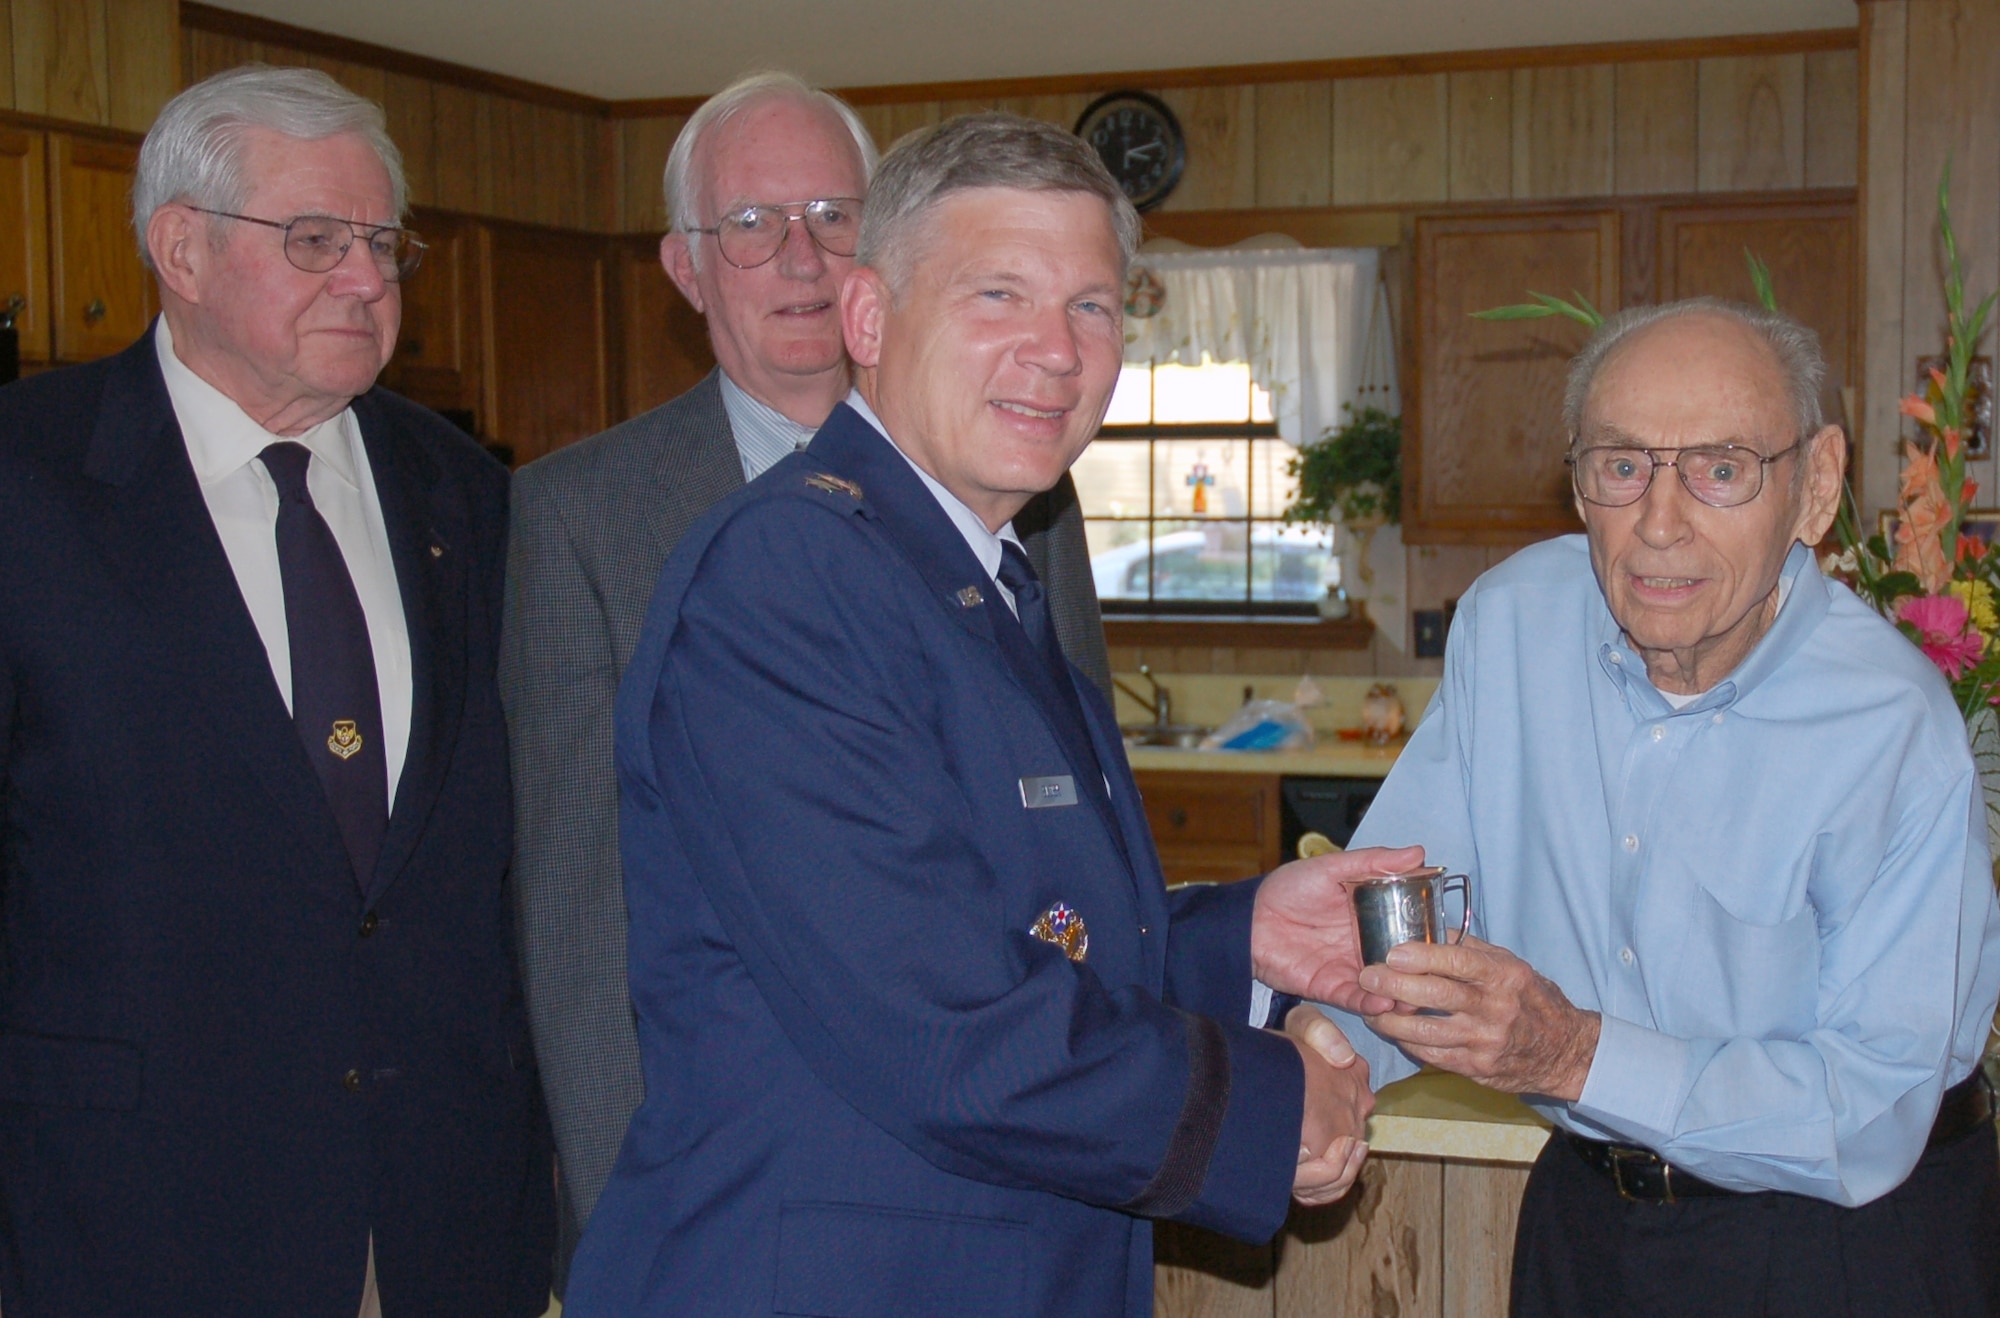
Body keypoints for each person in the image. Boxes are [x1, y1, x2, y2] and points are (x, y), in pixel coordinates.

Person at [563, 112, 1407, 1317]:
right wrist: (1263, 1106)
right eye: (997, 294)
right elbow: (940, 1020)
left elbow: (1016, 917)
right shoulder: (787, 578)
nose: (1054, 353)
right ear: (868, 319)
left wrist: (1240, 941)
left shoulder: (979, 568)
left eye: (1093, 308)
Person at [498, 71, 1111, 1286]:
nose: (798, 258)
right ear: (685, 268)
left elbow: (1077, 827)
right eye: (749, 226)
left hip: (984, 1181)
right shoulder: (577, 514)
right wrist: (643, 1208)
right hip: (734, 1198)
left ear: (878, 256)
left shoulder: (1024, 479)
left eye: (833, 215)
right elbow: (580, 915)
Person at [0, 66, 553, 1315]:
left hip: (444, 1221)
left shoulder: (470, 499)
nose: (367, 279)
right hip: (124, 1220)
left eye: (381, 244)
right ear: (180, 248)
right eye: (315, 240)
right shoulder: (25, 484)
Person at [1329, 297, 2000, 1315]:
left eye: (1719, 469)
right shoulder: (1513, 625)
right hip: (1589, 1218)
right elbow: (1398, 903)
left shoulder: (1889, 721)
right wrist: (1319, 1057)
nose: (1656, 521)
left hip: (1845, 1237)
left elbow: (1869, 1110)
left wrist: (1572, 1052)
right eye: (1619, 465)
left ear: (1812, 488)